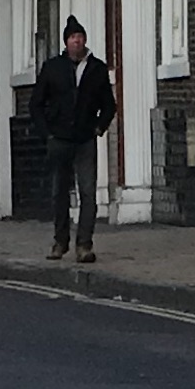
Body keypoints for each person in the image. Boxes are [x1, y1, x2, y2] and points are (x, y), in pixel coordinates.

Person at [30, 16, 116, 264]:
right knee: (59, 193)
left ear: (85, 40)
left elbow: (109, 105)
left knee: (88, 192)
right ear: (66, 42)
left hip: (85, 139)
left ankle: (84, 245)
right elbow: (36, 104)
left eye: (80, 37)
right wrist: (47, 133)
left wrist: (99, 128)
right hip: (59, 139)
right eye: (72, 38)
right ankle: (60, 241)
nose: (76, 41)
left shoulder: (97, 69)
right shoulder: (53, 68)